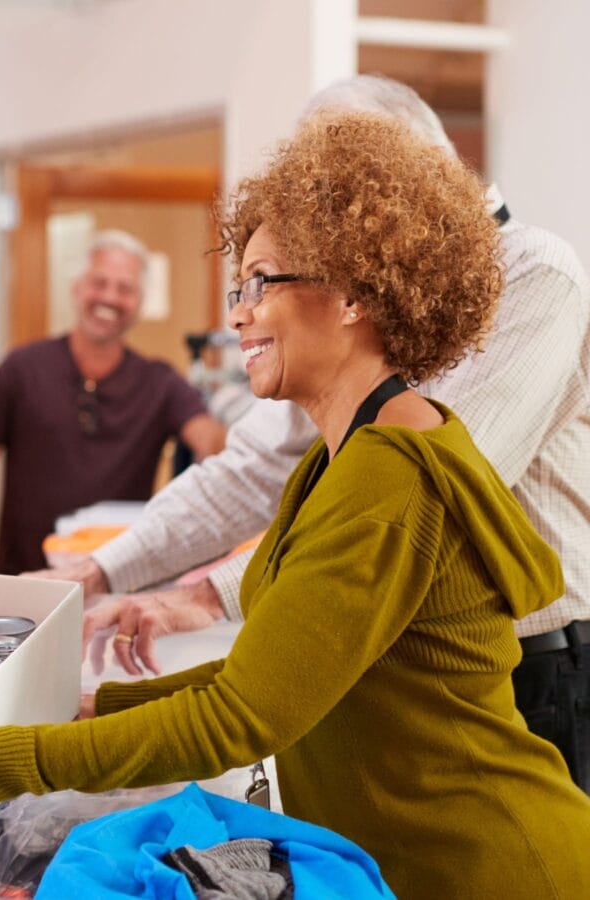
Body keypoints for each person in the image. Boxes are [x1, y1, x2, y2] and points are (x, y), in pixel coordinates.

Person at [0, 113, 590, 899]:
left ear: (354, 291)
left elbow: (238, 716)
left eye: (263, 282)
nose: (239, 313)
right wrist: (87, 710)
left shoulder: (388, 477)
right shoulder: (346, 456)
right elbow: (266, 675)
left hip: (491, 867)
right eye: (239, 285)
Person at [49, 76, 590, 792]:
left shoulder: (532, 271)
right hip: (401, 658)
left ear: (423, 167)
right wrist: (100, 573)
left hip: (537, 662)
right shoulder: (348, 315)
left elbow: (421, 495)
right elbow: (253, 468)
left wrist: (214, 595)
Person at [0, 230, 226, 575]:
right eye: (99, 282)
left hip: (119, 585)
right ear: (77, 288)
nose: (110, 297)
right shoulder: (22, 368)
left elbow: (210, 441)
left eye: (125, 288)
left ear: (140, 303)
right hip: (25, 583)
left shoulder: (161, 382)